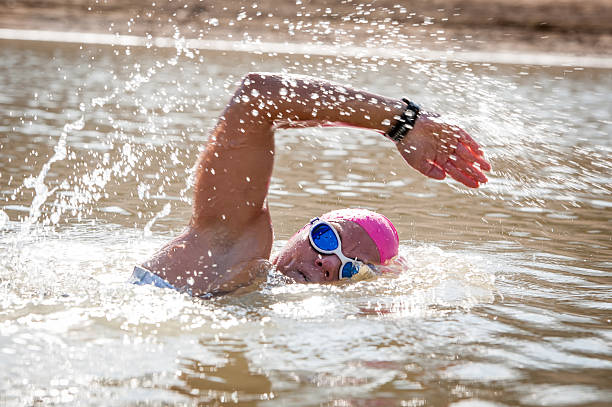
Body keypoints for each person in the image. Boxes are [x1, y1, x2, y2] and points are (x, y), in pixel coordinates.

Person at [131, 72, 491, 296]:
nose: (325, 264)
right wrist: (401, 122)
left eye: (348, 267)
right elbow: (258, 96)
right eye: (326, 239)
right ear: (302, 231)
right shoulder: (230, 249)